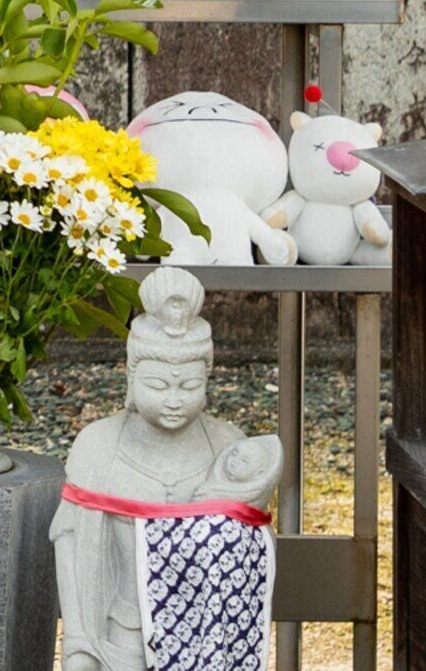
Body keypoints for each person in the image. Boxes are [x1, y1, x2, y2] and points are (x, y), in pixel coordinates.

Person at [50, 268, 282, 671]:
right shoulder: (98, 446)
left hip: (208, 635)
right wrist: (79, 642)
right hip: (122, 631)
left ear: (208, 380)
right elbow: (71, 542)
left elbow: (251, 552)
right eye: (158, 386)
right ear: (131, 377)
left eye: (189, 387)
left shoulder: (228, 447)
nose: (174, 400)